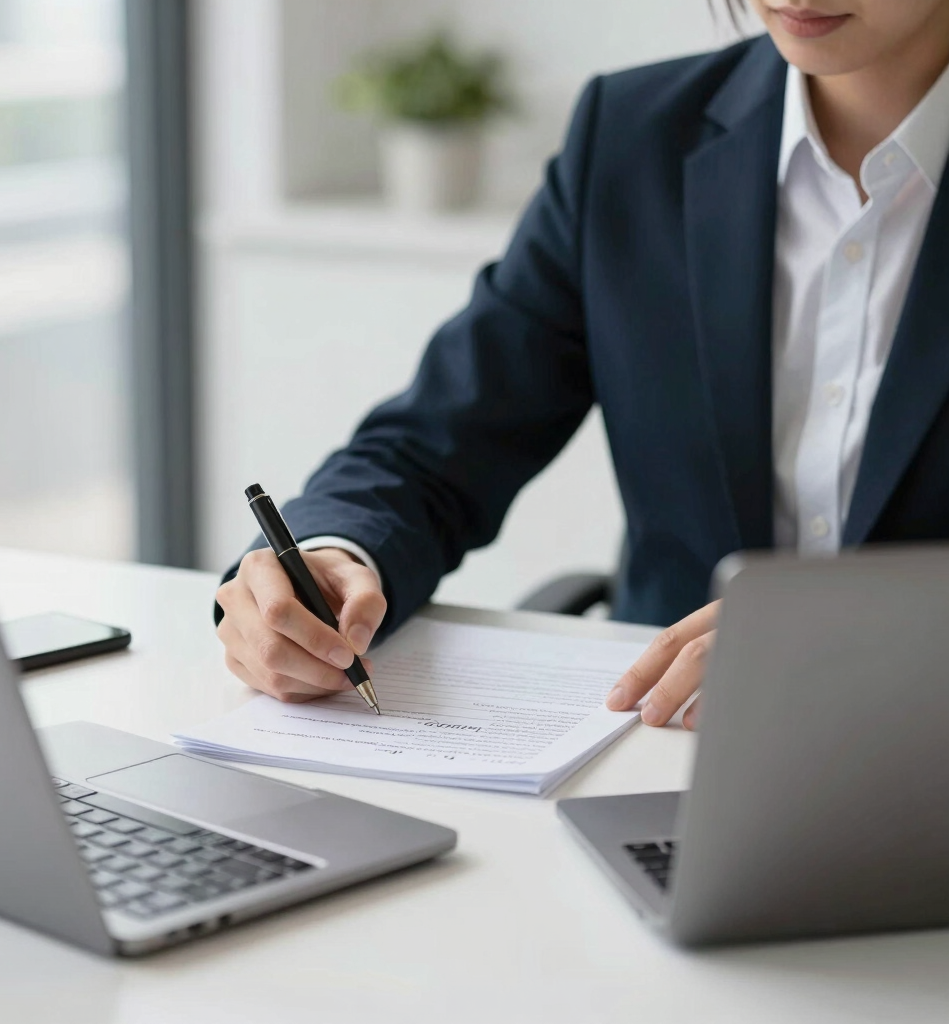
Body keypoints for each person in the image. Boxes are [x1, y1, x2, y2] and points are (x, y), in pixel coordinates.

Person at [215, 0, 949, 730]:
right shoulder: (633, 135)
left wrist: (873, 639)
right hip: (661, 744)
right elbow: (434, 444)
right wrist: (329, 555)